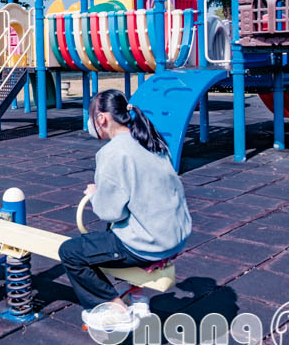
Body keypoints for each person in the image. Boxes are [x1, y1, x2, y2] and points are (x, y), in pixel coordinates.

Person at [59, 89, 191, 332]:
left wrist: (95, 195)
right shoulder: (151, 140)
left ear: (101, 119)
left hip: (150, 244)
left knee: (71, 252)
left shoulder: (112, 153)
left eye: (91, 117)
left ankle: (115, 308)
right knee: (110, 235)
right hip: (176, 237)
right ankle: (135, 293)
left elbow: (109, 212)